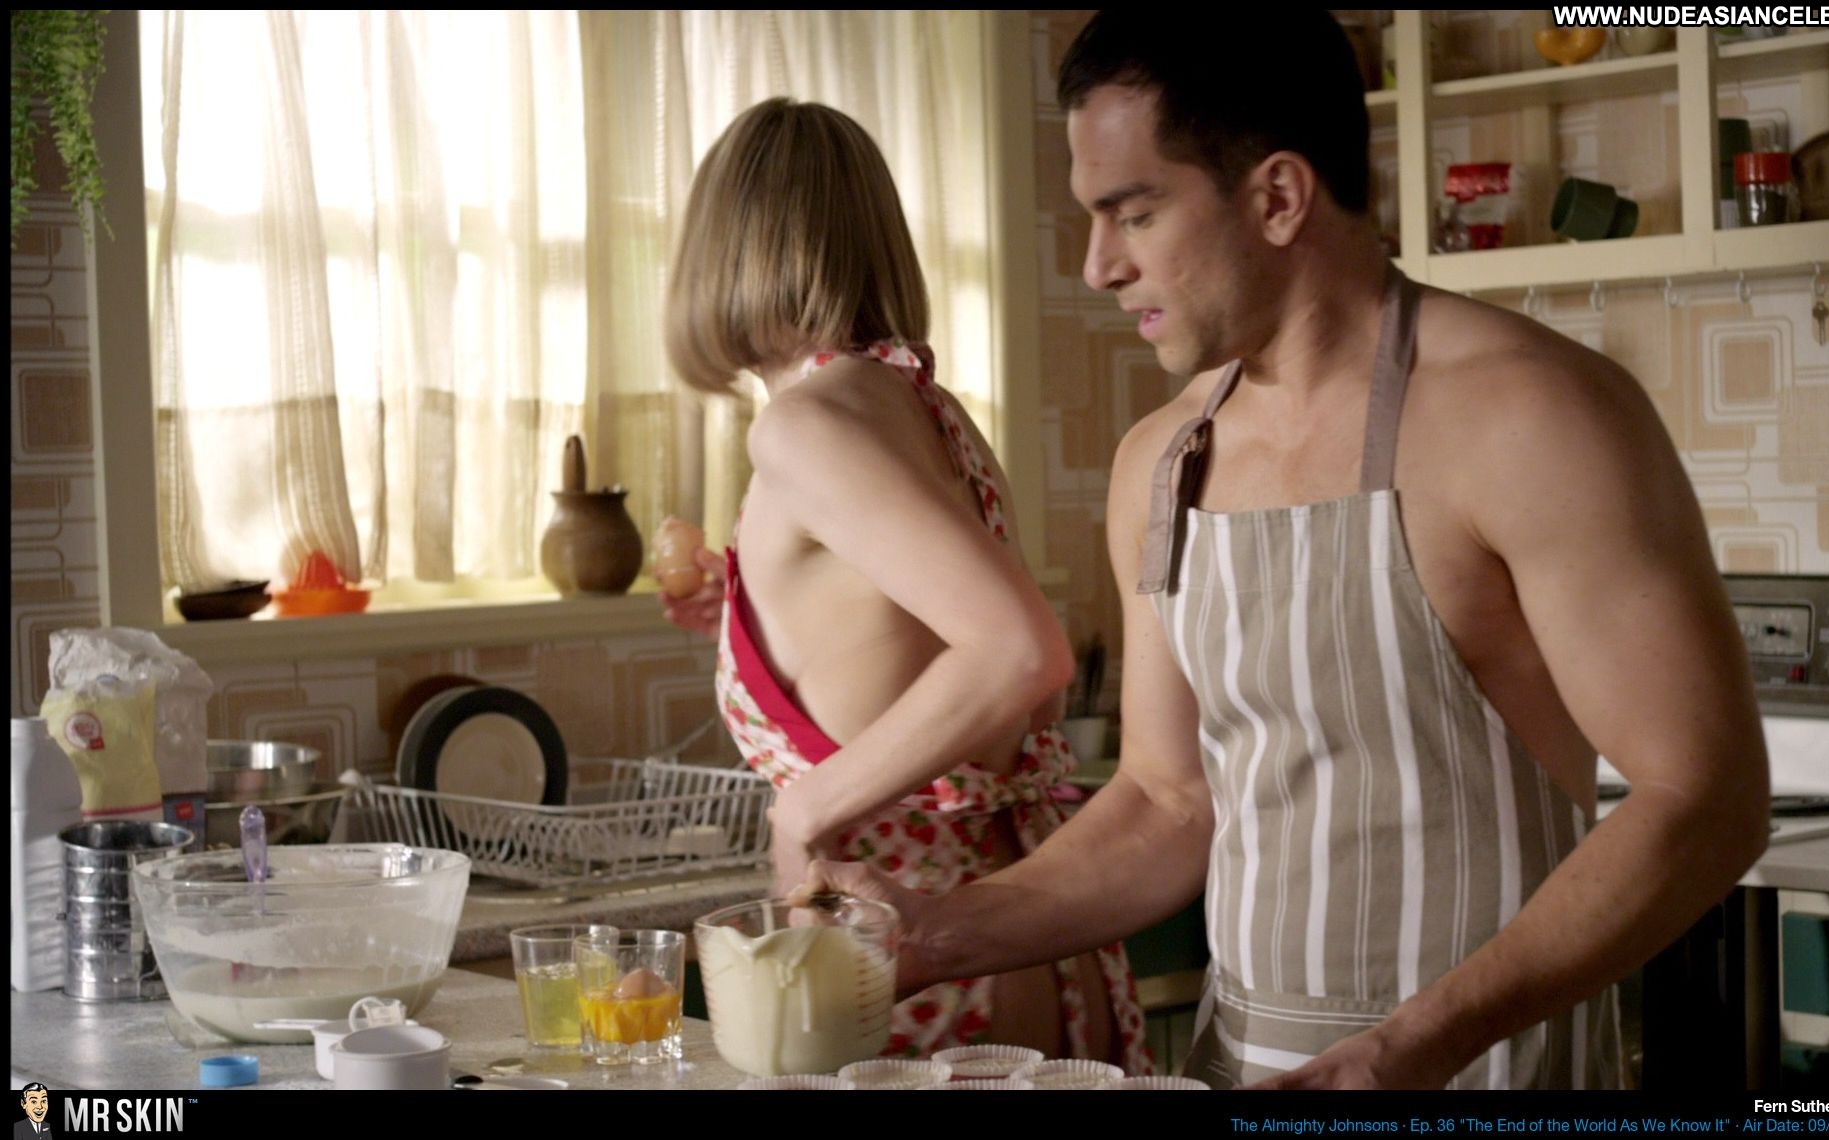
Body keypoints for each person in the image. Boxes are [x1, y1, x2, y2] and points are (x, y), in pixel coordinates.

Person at [802, 12, 1770, 1090]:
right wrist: (934, 934)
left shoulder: (1531, 417)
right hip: (1243, 1067)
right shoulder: (1160, 460)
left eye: (1134, 214)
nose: (1098, 266)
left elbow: (1705, 800)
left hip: (1483, 1070)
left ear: (1276, 197)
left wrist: (1415, 1044)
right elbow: (1167, 801)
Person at [656, 96, 1151, 1070]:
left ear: (719, 253)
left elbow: (1021, 655)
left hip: (916, 955)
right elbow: (900, 642)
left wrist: (802, 811)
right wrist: (750, 619)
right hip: (1014, 936)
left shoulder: (802, 427)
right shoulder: (923, 406)